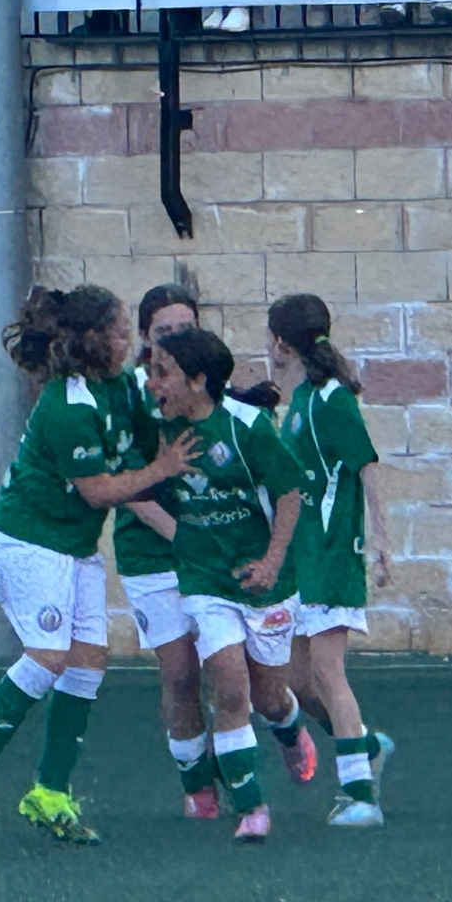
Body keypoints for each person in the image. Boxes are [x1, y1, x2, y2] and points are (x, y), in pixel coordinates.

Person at [0, 285, 201, 843]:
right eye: (118, 331)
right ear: (91, 340)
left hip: (74, 547)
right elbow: (98, 490)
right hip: (28, 541)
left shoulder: (120, 388)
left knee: (88, 662)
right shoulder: (66, 405)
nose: (127, 340)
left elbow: (155, 423)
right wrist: (162, 469)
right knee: (50, 655)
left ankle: (50, 791)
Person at [116, 284, 315, 820]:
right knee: (184, 674)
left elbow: (286, 488)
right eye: (164, 332)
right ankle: (201, 788)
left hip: (224, 553)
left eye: (186, 329)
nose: (174, 339)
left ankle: (285, 726)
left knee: (260, 689)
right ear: (144, 337)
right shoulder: (139, 401)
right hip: (154, 555)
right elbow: (126, 486)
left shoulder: (217, 402)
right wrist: (183, 536)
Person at [267, 293, 395, 828]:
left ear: (280, 343)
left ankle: (361, 796)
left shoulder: (332, 400)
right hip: (302, 556)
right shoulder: (299, 399)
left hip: (332, 553)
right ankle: (365, 746)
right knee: (297, 683)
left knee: (327, 671)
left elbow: (366, 465)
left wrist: (381, 539)